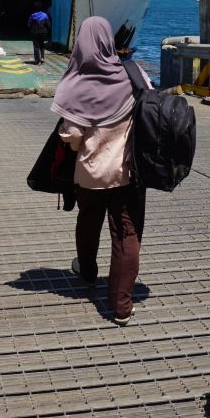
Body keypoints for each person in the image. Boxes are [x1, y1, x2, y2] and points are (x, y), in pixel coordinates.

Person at [52, 16, 151, 326]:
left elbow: (72, 137)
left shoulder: (75, 82)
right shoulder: (134, 74)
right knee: (126, 235)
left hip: (90, 174)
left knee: (88, 222)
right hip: (128, 172)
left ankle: (88, 271)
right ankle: (122, 306)